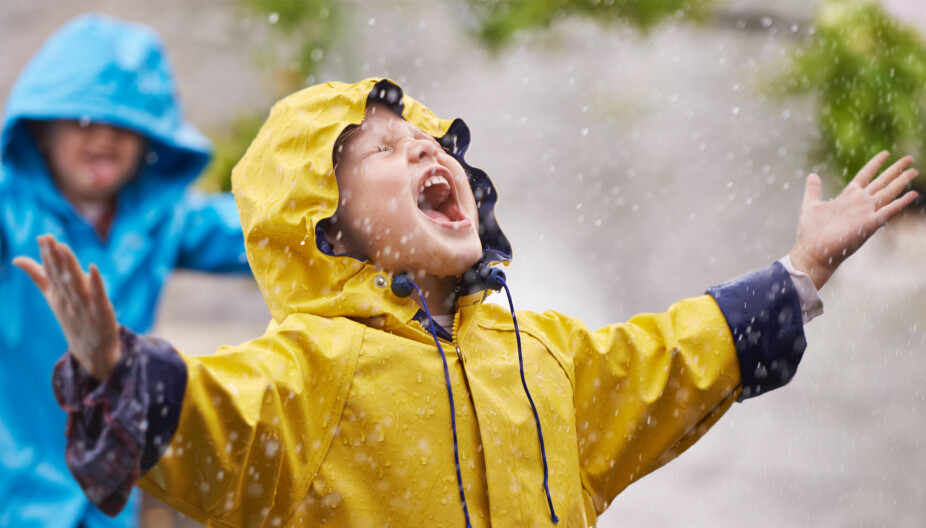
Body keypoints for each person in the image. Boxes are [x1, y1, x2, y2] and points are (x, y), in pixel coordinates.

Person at [15, 78, 918, 527]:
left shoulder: (540, 355)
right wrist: (114, 370)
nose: (419, 151)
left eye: (425, 140)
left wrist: (799, 271)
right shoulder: (313, 374)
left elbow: (670, 359)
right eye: (379, 152)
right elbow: (218, 419)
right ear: (323, 227)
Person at [0, 13, 251, 528]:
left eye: (125, 124)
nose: (105, 137)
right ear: (43, 129)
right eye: (84, 121)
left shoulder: (160, 220)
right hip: (15, 486)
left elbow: (255, 232)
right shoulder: (9, 210)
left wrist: (359, 220)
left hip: (108, 493)